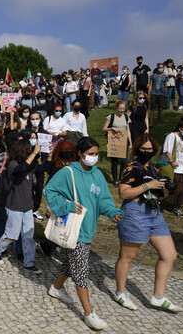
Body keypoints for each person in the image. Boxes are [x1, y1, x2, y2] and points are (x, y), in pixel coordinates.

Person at [44, 137, 124, 331]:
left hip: (88, 228)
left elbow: (103, 200)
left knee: (71, 261)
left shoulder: (97, 176)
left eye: (96, 154)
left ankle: (55, 288)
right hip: (74, 228)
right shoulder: (68, 172)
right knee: (81, 270)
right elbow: (49, 191)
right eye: (90, 154)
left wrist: (112, 212)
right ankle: (89, 313)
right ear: (80, 154)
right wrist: (68, 206)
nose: (93, 158)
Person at [114, 133, 182, 313]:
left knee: (169, 254)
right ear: (137, 149)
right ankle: (120, 292)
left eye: (150, 150)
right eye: (143, 149)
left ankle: (158, 297)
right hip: (135, 212)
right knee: (128, 256)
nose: (146, 152)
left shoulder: (153, 168)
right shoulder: (130, 166)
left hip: (154, 212)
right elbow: (123, 193)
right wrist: (148, 186)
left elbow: (160, 194)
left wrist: (166, 189)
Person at [0, 138, 43, 274]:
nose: (31, 151)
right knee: (12, 234)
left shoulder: (30, 164)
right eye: (28, 150)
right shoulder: (13, 164)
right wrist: (33, 155)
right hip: (14, 205)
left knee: (28, 235)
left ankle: (29, 262)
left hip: (27, 206)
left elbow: (43, 167)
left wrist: (49, 153)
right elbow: (21, 169)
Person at [160, 118, 183, 218]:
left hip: (181, 167)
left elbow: (182, 154)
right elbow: (166, 150)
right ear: (180, 128)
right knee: (171, 188)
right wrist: (172, 161)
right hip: (174, 167)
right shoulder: (171, 136)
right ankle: (160, 203)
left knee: (182, 189)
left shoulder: (182, 139)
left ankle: (176, 207)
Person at [102, 100, 132, 187]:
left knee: (124, 161)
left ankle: (121, 179)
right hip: (114, 141)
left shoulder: (126, 118)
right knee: (114, 161)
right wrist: (111, 128)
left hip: (123, 141)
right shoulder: (110, 117)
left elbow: (128, 130)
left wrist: (130, 143)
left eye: (123, 108)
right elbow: (104, 129)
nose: (122, 110)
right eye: (120, 108)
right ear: (116, 108)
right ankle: (115, 180)